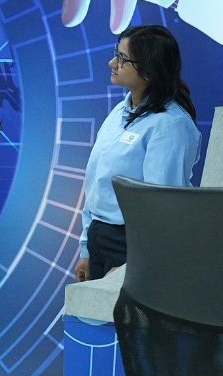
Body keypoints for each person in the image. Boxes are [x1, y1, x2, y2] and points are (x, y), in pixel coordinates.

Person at [75, 24, 202, 282]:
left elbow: (161, 207)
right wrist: (86, 248)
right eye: (116, 54)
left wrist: (134, 266)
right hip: (101, 237)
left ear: (149, 69)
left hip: (132, 245)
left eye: (122, 59)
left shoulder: (170, 125)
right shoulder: (119, 112)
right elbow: (96, 183)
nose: (112, 63)